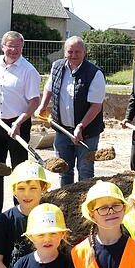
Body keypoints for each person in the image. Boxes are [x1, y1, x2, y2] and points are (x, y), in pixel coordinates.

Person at [0, 31, 41, 215]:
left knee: (19, 172)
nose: (13, 50)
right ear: (3, 46)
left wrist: (19, 122)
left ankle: (19, 212)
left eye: (18, 47)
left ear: (22, 48)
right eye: (10, 45)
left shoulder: (28, 71)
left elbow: (34, 101)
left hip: (19, 125)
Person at [34, 36, 106, 185]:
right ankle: (66, 201)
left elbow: (96, 106)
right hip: (62, 129)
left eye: (77, 52)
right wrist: (42, 106)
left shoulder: (94, 73)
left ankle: (84, 203)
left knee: (85, 170)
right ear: (64, 52)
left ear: (84, 52)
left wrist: (81, 127)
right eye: (70, 51)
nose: (73, 55)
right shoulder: (57, 66)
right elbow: (49, 87)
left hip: (87, 132)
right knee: (64, 169)